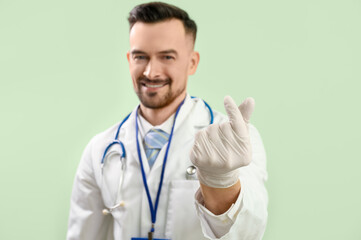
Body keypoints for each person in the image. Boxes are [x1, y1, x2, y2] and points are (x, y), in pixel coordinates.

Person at [67, 2, 268, 240]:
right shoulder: (100, 148)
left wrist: (221, 182)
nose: (151, 72)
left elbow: (249, 231)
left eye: (167, 57)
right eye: (140, 56)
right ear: (129, 60)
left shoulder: (233, 139)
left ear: (192, 62)